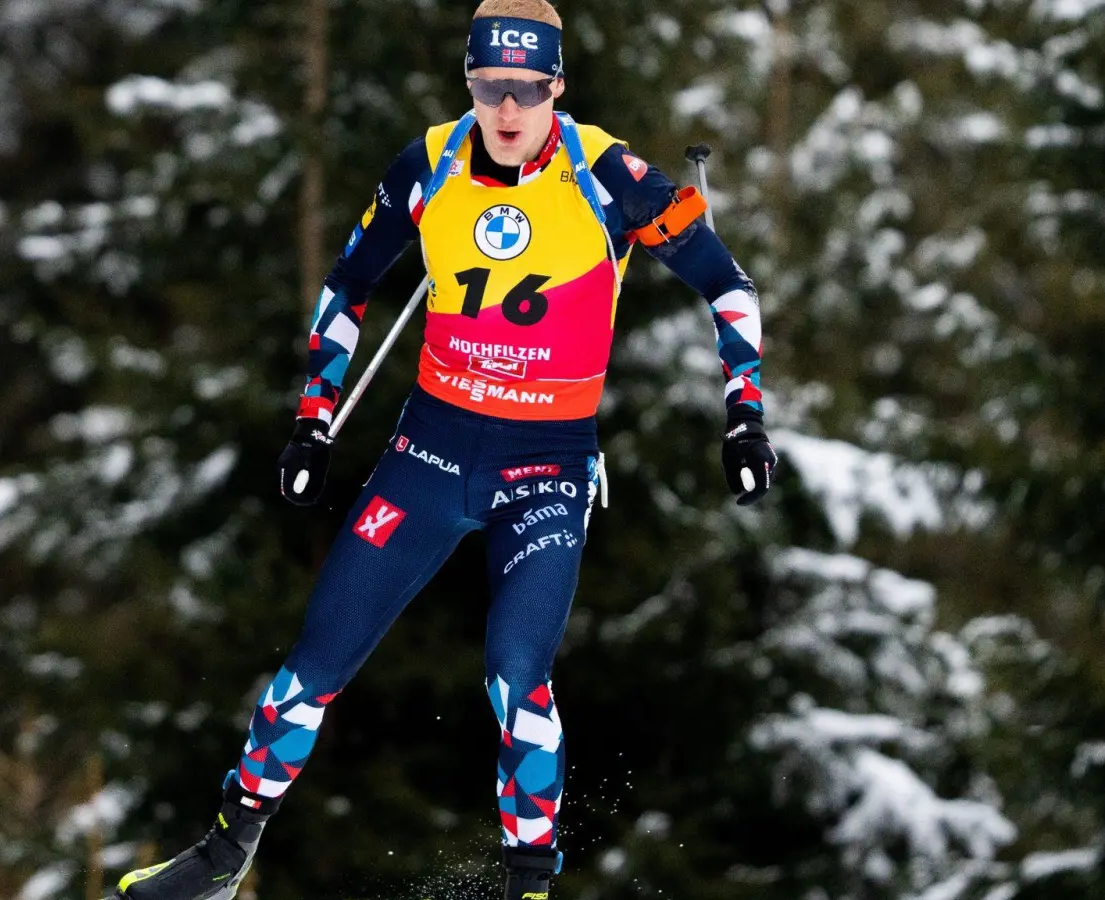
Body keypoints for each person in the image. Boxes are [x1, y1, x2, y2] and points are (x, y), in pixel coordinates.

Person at [111, 1, 775, 898]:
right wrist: (314, 417)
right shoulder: (428, 164)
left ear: (557, 89)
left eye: (527, 91)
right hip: (429, 452)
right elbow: (349, 285)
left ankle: (527, 888)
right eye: (490, 88)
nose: (507, 111)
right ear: (469, 83)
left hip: (545, 465)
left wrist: (744, 415)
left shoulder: (610, 174)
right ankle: (225, 854)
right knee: (314, 660)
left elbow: (728, 287)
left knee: (515, 674)